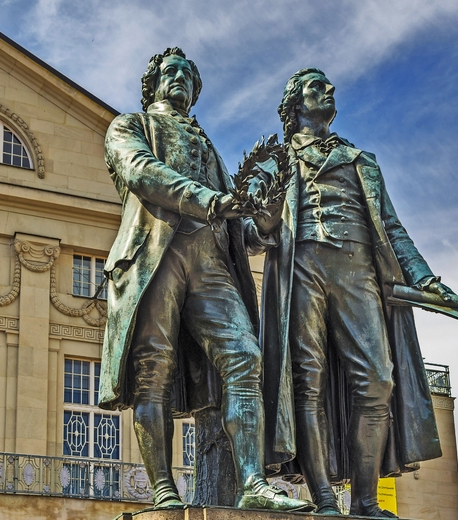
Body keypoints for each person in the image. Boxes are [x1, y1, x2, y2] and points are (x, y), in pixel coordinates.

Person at [97, 47, 313, 513]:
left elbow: (237, 225)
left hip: (210, 258)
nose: (178, 79)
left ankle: (252, 482)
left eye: (187, 76)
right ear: (152, 84)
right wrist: (213, 201)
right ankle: (163, 488)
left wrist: (265, 224)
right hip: (154, 255)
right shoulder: (129, 125)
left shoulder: (207, 145)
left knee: (244, 357)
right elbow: (143, 172)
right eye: (169, 72)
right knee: (151, 371)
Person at [256, 68, 453, 517]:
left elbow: (392, 227)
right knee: (307, 382)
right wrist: (261, 219)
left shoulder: (361, 159)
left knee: (378, 380)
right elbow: (251, 229)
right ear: (294, 104)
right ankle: (324, 498)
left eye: (328, 86)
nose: (328, 90)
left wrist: (422, 276)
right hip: (301, 266)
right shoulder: (277, 158)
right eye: (315, 86)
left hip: (359, 269)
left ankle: (365, 499)